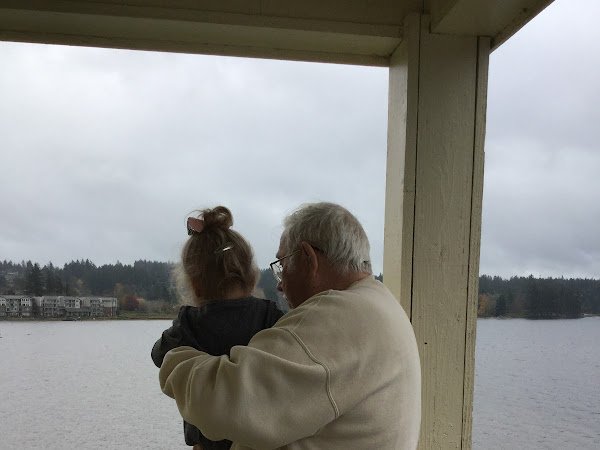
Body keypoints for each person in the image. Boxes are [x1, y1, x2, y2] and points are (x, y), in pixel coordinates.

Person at [159, 202, 422, 449]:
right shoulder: (376, 304)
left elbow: (225, 401)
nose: (279, 284)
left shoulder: (335, 318)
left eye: (281, 265)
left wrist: (174, 360)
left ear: (308, 259)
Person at [151, 206, 284, 450]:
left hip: (206, 443)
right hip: (259, 439)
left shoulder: (188, 322)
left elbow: (158, 355)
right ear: (252, 277)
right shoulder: (270, 316)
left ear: (193, 283)